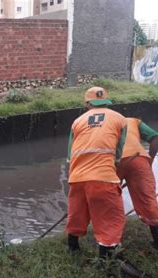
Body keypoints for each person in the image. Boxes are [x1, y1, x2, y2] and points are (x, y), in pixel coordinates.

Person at [66, 87, 127, 259]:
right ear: (106, 102)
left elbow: (70, 156)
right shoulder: (120, 120)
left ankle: (73, 248)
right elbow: (119, 153)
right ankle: (106, 260)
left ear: (87, 104)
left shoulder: (77, 122)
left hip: (77, 178)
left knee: (77, 213)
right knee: (110, 218)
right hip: (103, 178)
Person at [116, 117, 158, 250]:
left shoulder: (104, 122)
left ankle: (112, 243)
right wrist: (150, 161)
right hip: (138, 159)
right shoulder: (133, 121)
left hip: (114, 160)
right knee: (147, 199)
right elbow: (155, 137)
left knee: (112, 199)